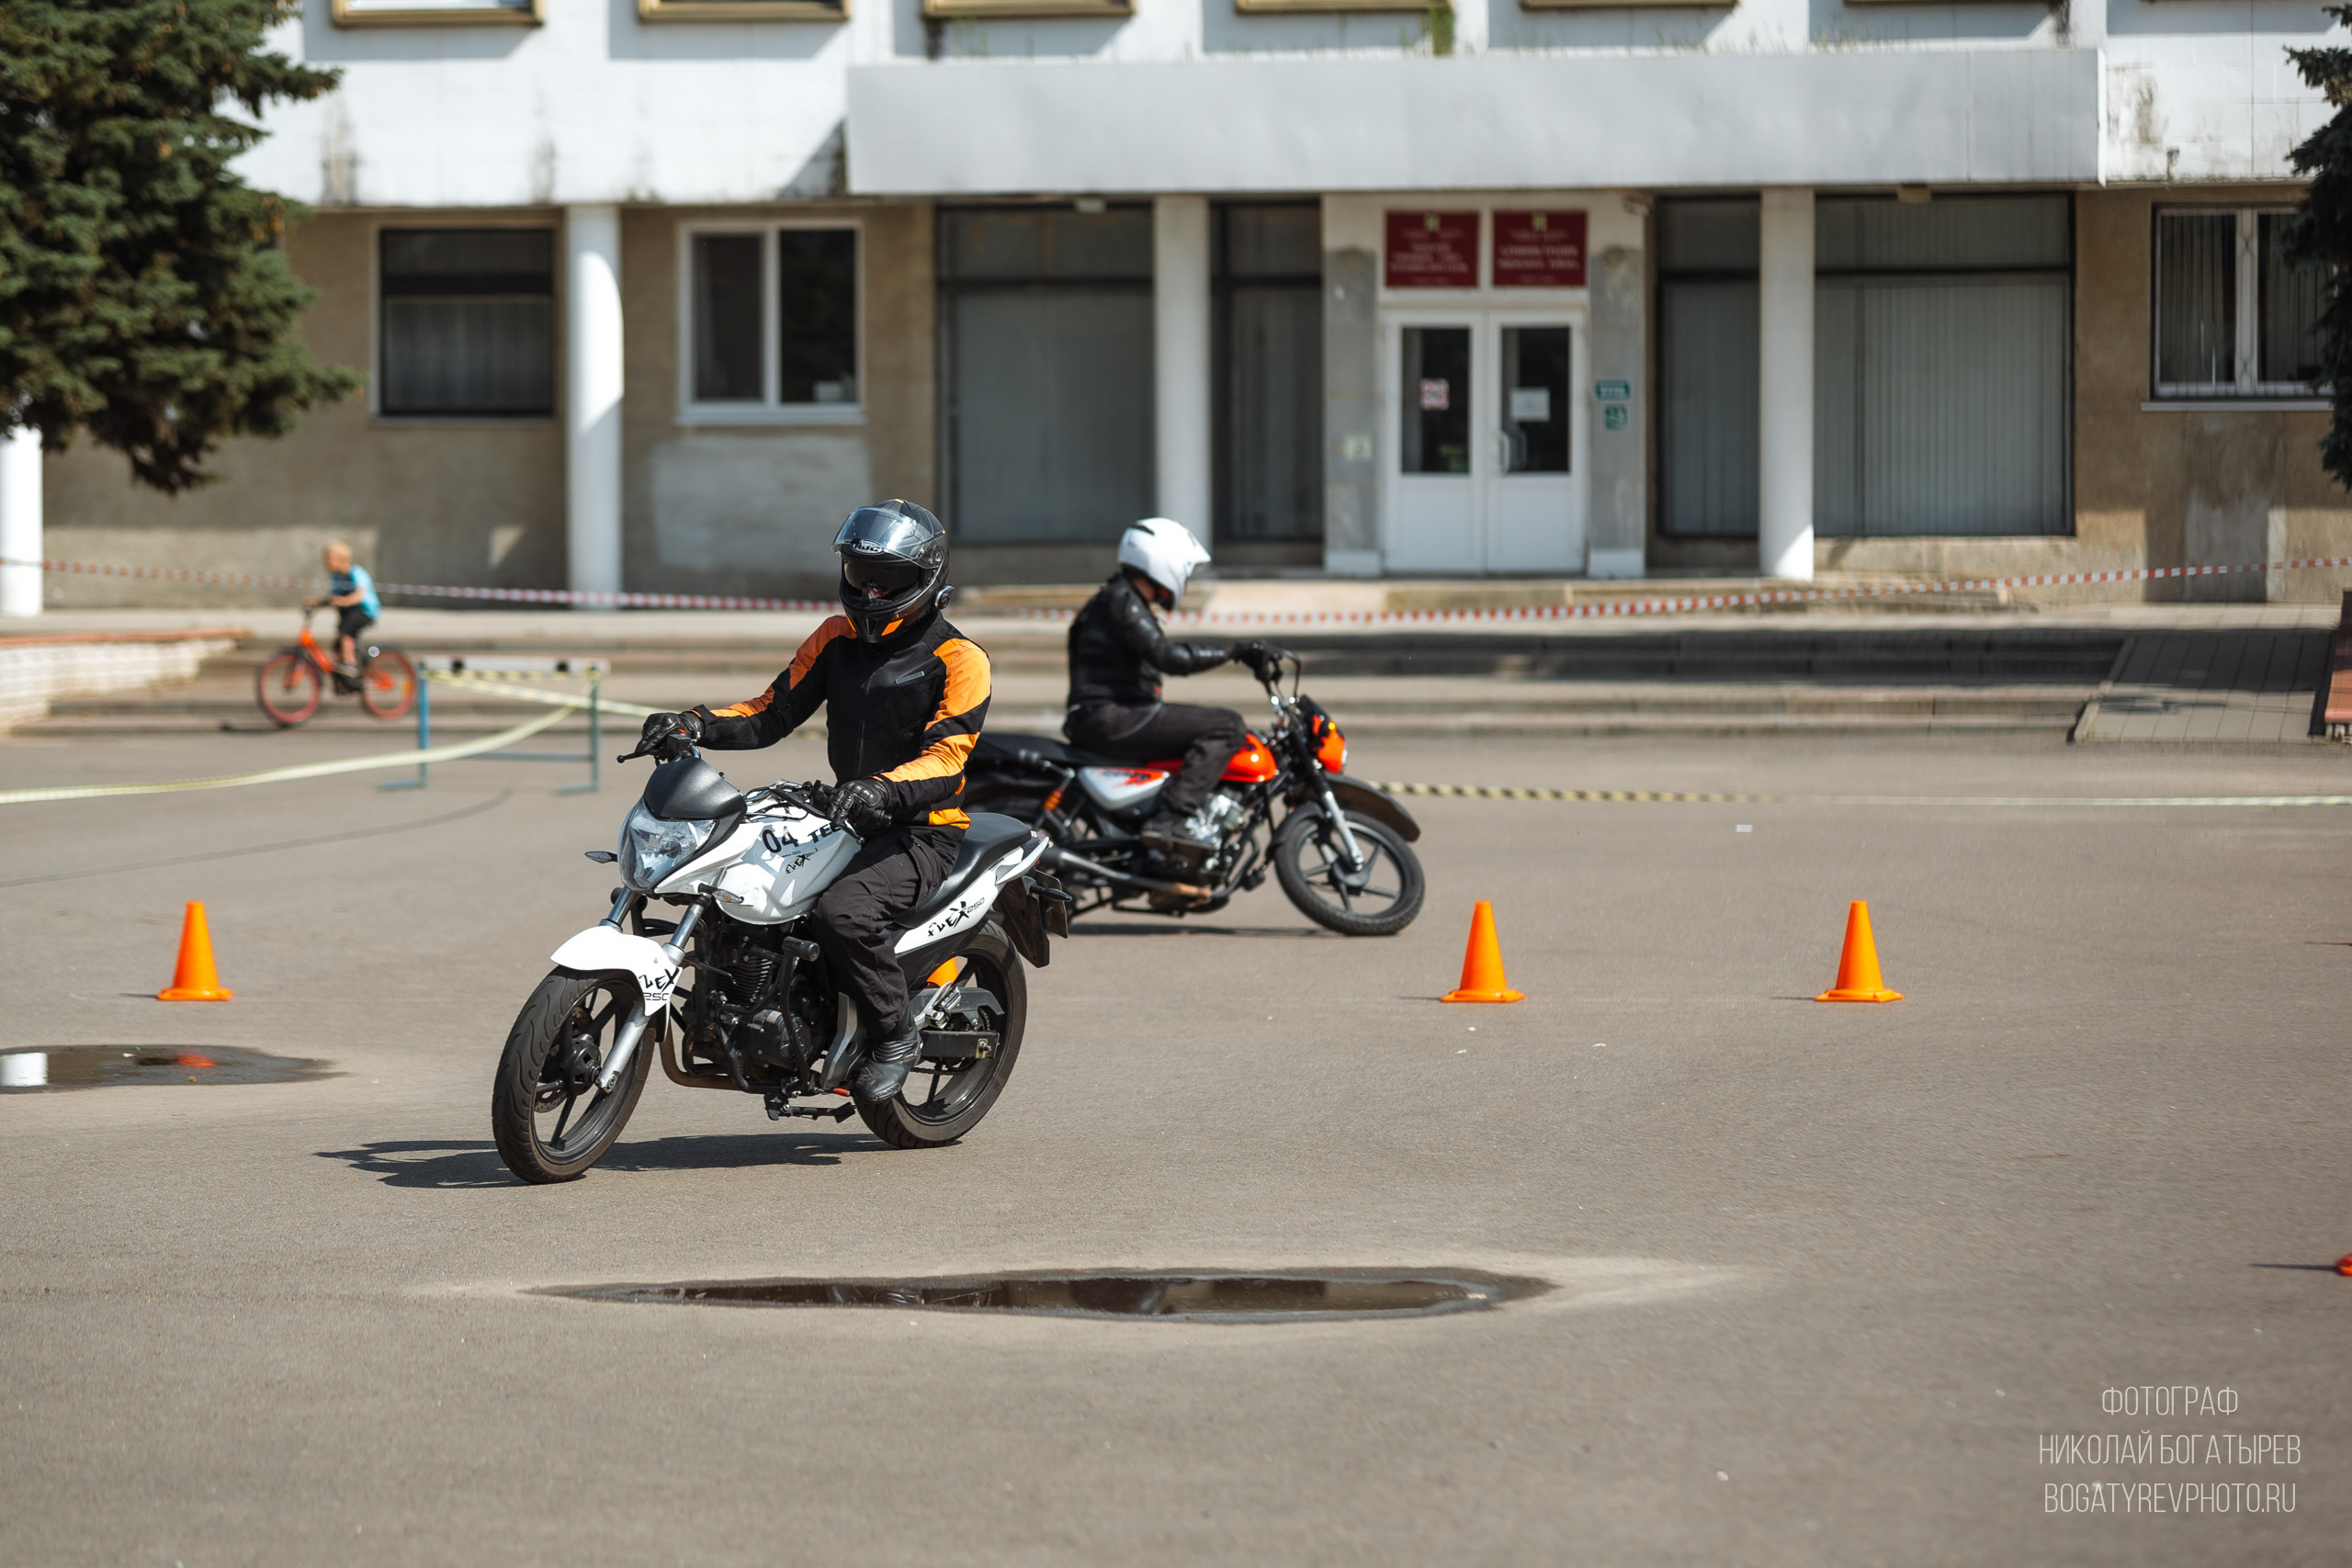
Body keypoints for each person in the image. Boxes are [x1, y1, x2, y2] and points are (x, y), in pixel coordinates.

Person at [635, 501, 989, 1103]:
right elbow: (771, 711)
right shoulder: (835, 637)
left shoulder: (960, 658)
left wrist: (882, 786)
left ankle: (895, 1035)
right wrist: (693, 723)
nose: (872, 589)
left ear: (926, 578)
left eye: (889, 578)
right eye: (860, 573)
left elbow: (948, 756)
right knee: (737, 884)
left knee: (843, 916)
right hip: (845, 814)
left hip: (919, 830)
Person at [1064, 518, 1275, 858]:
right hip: (1110, 716)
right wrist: (1233, 651)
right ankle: (1172, 820)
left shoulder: (1119, 599)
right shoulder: (1122, 599)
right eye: (1184, 568)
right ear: (1161, 559)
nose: (1185, 578)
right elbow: (1168, 656)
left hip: (1109, 715)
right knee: (1226, 725)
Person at [304, 540, 379, 680]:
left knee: (346, 631)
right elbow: (333, 598)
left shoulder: (356, 572)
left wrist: (344, 601)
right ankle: (343, 674)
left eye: (329, 560)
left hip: (365, 611)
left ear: (341, 560)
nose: (326, 564)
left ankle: (349, 664)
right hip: (348, 612)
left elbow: (359, 594)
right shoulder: (336, 577)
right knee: (337, 644)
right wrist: (316, 603)